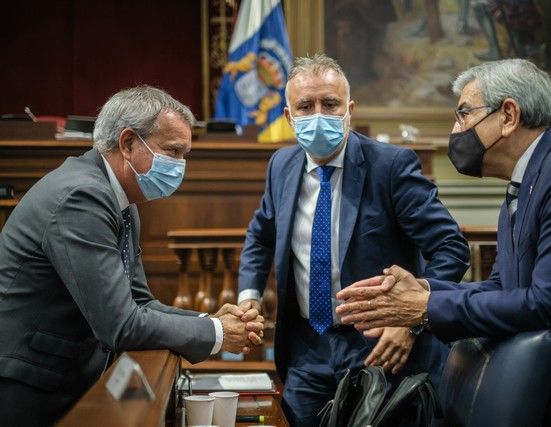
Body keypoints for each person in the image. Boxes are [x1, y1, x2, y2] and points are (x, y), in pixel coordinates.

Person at [336, 58, 551, 425]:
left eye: (464, 114)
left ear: (509, 115)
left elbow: (547, 304)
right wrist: (425, 288)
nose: (455, 128)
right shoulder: (527, 179)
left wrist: (425, 308)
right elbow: (502, 286)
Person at [0, 86, 264, 425]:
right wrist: (218, 333)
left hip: (63, 376)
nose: (181, 166)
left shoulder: (121, 202)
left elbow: (140, 302)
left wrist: (207, 320)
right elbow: (121, 325)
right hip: (28, 385)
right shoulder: (83, 197)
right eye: (173, 151)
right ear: (127, 143)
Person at [237, 53, 470, 426]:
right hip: (306, 350)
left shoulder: (391, 166)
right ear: (288, 117)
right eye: (305, 106)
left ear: (349, 109)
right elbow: (260, 236)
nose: (318, 115)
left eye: (330, 104)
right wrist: (248, 297)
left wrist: (411, 319)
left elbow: (450, 248)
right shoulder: (280, 166)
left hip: (381, 348)